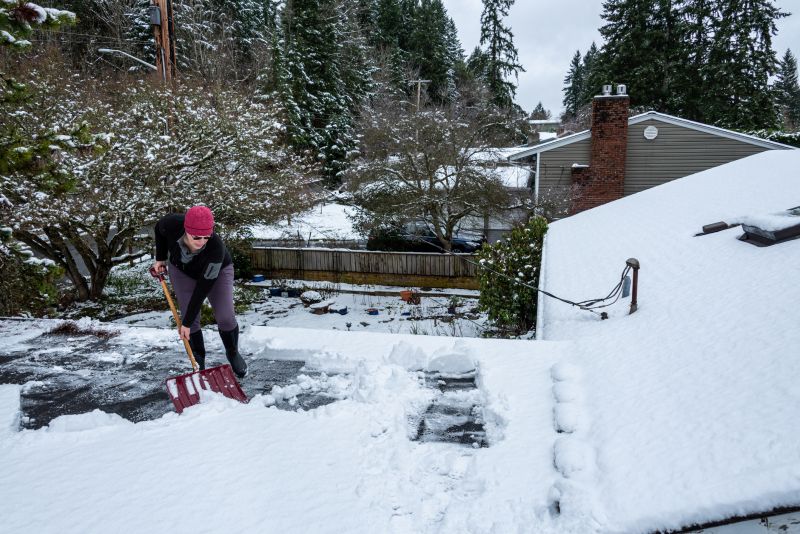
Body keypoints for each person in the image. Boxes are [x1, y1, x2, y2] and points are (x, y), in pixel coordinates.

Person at [151, 205, 247, 378]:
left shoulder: (215, 248)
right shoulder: (172, 224)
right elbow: (159, 228)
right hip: (181, 270)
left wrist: (185, 322)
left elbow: (202, 289)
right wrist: (160, 258)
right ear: (187, 230)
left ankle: (232, 352)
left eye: (206, 236)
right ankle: (198, 360)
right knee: (190, 316)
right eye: (196, 237)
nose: (202, 241)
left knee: (225, 316)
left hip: (217, 272)